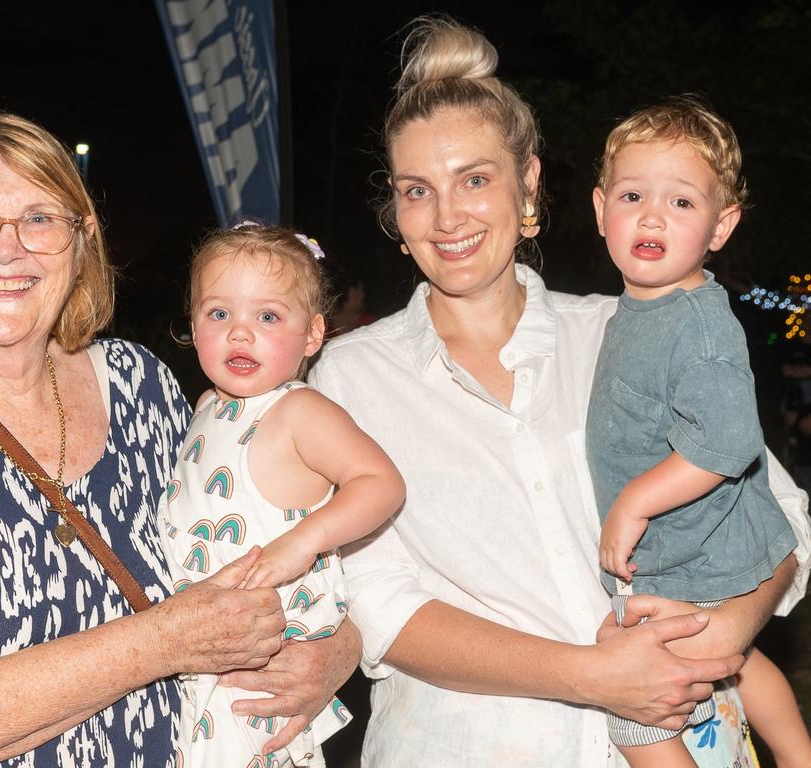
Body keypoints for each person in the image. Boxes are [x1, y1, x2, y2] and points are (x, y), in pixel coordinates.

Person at [305, 16, 811, 768]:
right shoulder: (348, 379)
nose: (448, 218)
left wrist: (722, 635)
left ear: (530, 183)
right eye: (419, 190)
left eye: (475, 179)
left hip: (692, 734)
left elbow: (779, 515)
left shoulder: (627, 329)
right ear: (396, 212)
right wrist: (593, 677)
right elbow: (381, 605)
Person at [0, 112, 359, 768]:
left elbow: (293, 526)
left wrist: (333, 653)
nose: (7, 248)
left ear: (80, 243)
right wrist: (166, 642)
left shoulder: (139, 384)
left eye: (40, 218)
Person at [588, 97, 811, 768]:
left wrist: (634, 503)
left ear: (722, 226)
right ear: (601, 210)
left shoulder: (700, 324)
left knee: (634, 717)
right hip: (691, 556)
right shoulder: (638, 312)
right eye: (633, 195)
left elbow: (724, 443)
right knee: (736, 662)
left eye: (683, 203)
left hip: (698, 558)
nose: (653, 215)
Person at [158, 222, 405, 768]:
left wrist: (305, 539)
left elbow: (382, 484)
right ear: (193, 322)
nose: (239, 334)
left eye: (267, 317)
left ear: (313, 334)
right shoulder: (203, 407)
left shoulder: (299, 410)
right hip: (196, 663)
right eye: (219, 314)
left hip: (257, 677)